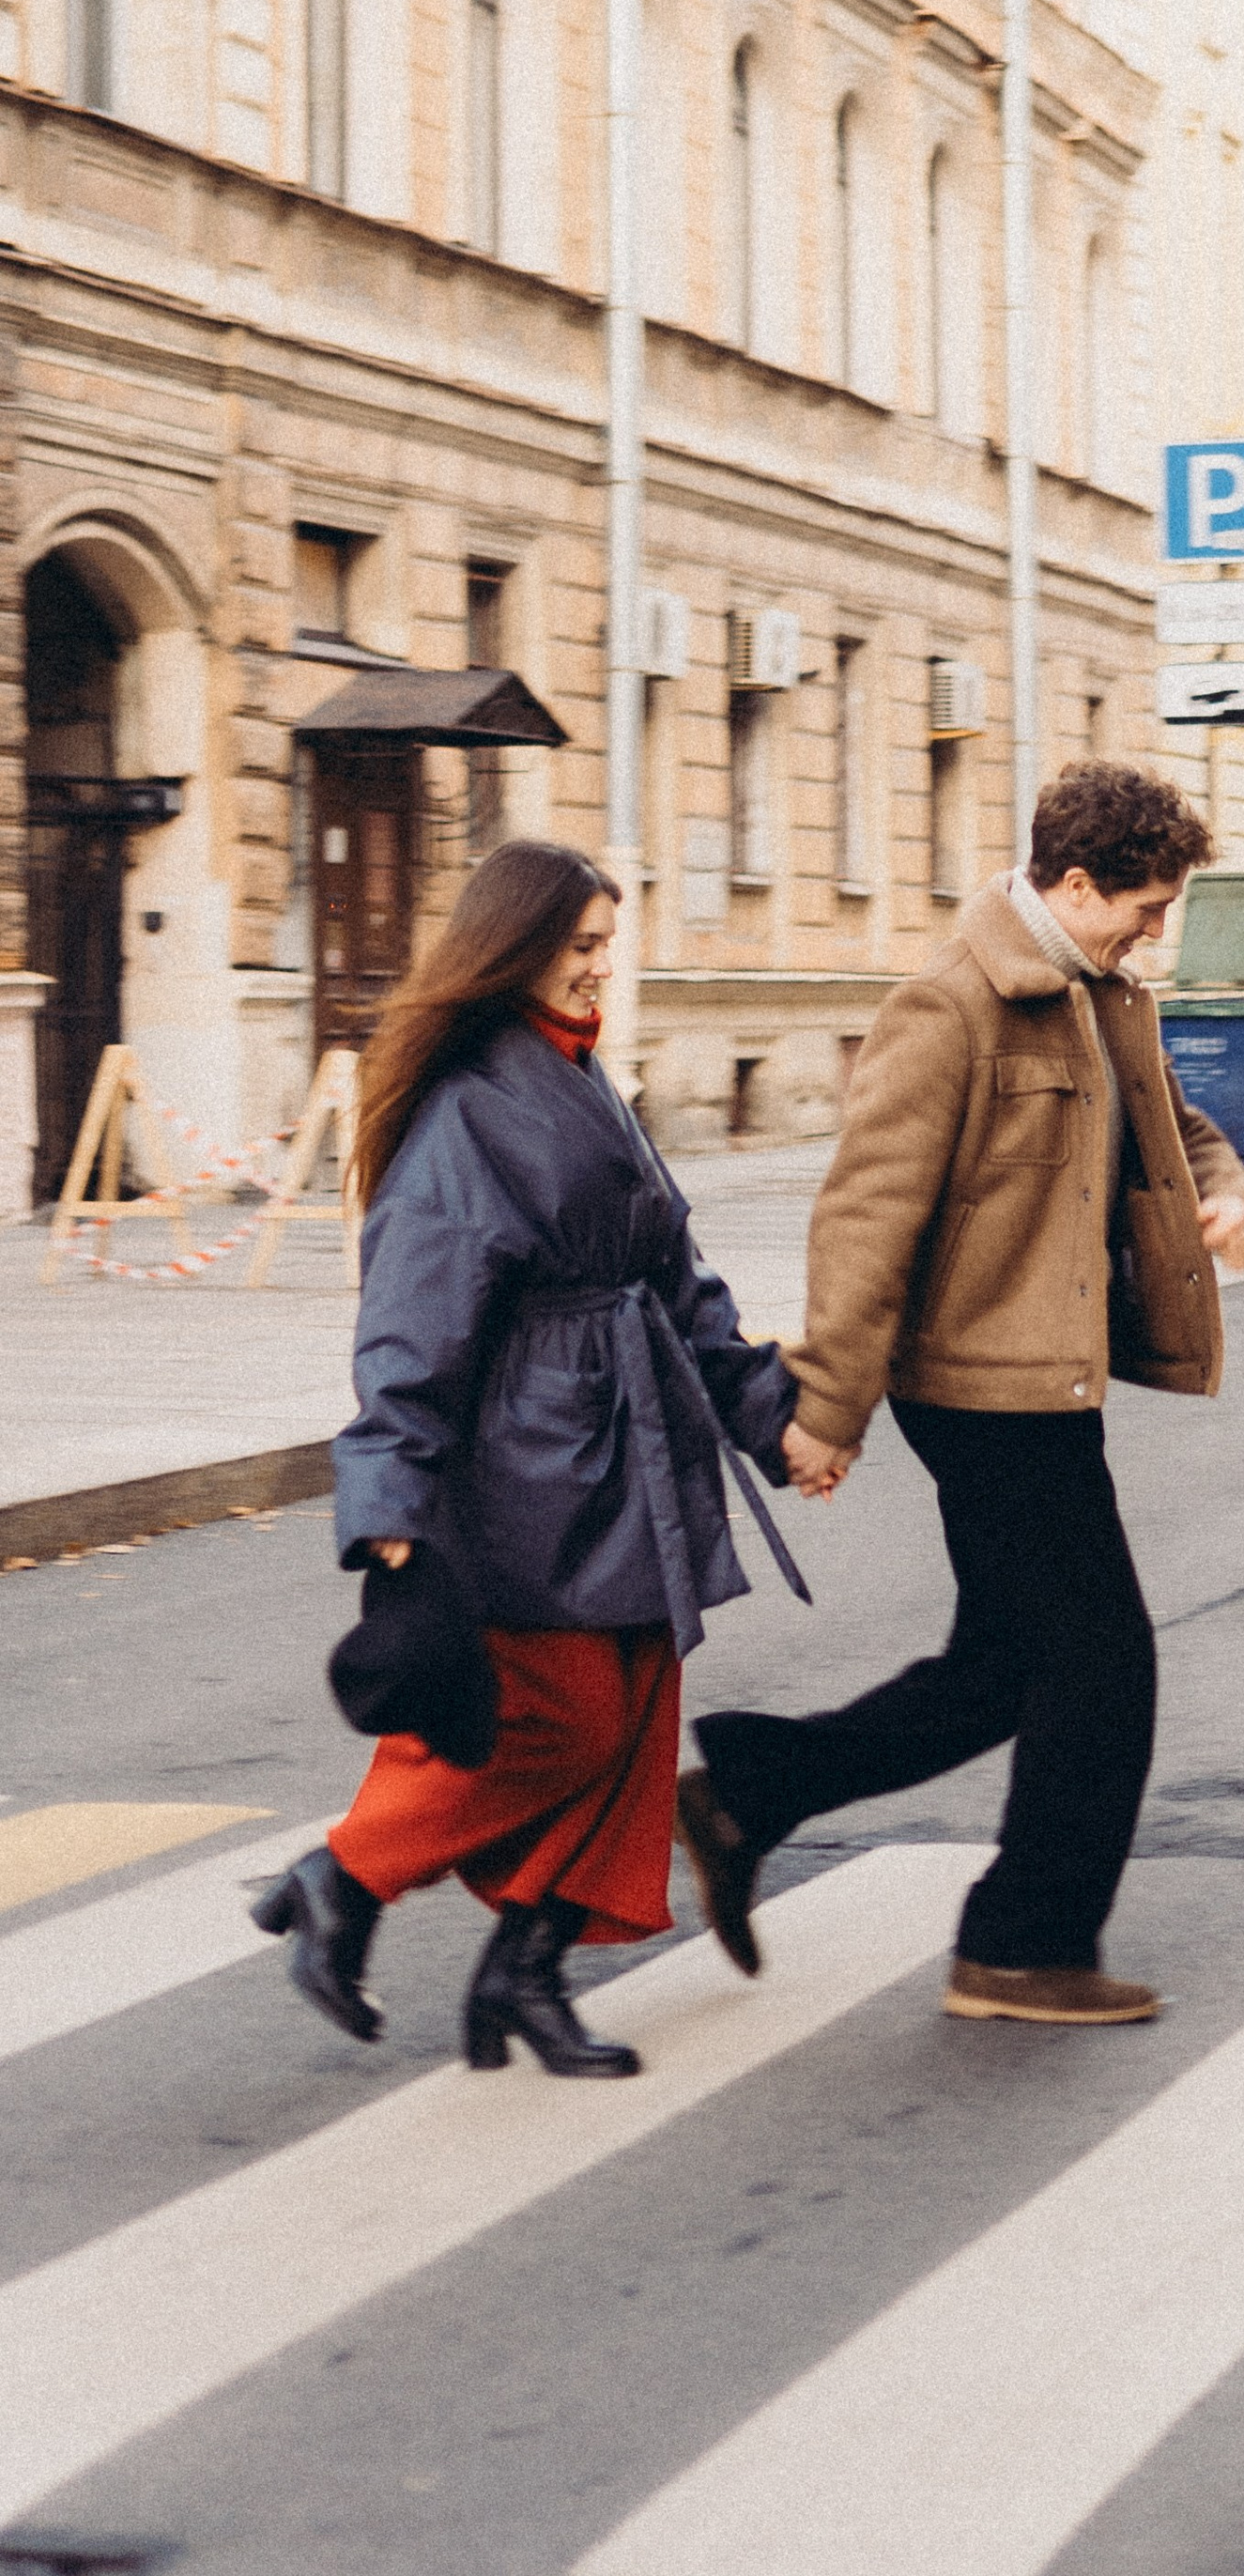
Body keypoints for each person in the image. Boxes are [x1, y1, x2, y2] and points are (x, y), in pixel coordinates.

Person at [678, 762, 1244, 2027]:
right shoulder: (949, 1010)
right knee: (1105, 1671)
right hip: (982, 1392)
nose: (1154, 934)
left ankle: (748, 1791)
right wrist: (823, 1412)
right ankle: (1023, 1942)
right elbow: (864, 1221)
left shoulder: (1099, 996)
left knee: (1007, 1664)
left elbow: (1172, 1123)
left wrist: (1226, 1186)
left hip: (1048, 1382)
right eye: (1143, 908)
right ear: (1071, 883)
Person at [251, 838, 806, 2076]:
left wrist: (774, 1418)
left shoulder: (580, 1077)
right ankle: (340, 1880)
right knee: (559, 1714)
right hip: (529, 1461)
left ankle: (526, 1972)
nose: (600, 972)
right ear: (512, 952)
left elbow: (677, 1282)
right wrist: (387, 1490)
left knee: (641, 1708)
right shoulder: (471, 1106)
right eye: (580, 949)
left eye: (610, 948)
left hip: (627, 1445)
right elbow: (411, 1316)